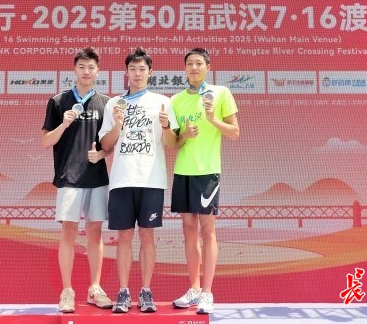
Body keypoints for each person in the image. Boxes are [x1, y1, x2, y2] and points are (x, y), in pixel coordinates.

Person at [99, 47, 178, 314]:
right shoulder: (114, 104)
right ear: (126, 72)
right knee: (124, 236)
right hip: (122, 180)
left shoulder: (163, 102)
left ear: (150, 73)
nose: (137, 73)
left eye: (142, 69)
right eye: (132, 69)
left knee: (147, 235)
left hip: (151, 180)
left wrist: (166, 126)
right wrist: (117, 125)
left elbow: (171, 143)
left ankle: (146, 291)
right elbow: (106, 145)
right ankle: (123, 292)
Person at [41, 47, 113, 313]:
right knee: (69, 233)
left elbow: (111, 142)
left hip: (96, 176)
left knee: (95, 232)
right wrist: (63, 124)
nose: (86, 71)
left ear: (98, 71)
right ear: (74, 70)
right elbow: (45, 141)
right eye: (81, 67)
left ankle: (95, 288)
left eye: (91, 67)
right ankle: (67, 290)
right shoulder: (58, 101)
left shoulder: (106, 103)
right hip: (68, 177)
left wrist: (102, 154)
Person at [169, 47, 240, 314]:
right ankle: (195, 289)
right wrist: (184, 135)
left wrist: (212, 119)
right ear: (184, 68)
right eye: (190, 63)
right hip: (183, 171)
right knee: (188, 229)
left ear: (208, 67)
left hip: (208, 172)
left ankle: (208, 293)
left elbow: (234, 132)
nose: (194, 68)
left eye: (199, 63)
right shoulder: (176, 100)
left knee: (207, 230)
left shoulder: (221, 93)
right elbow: (173, 143)